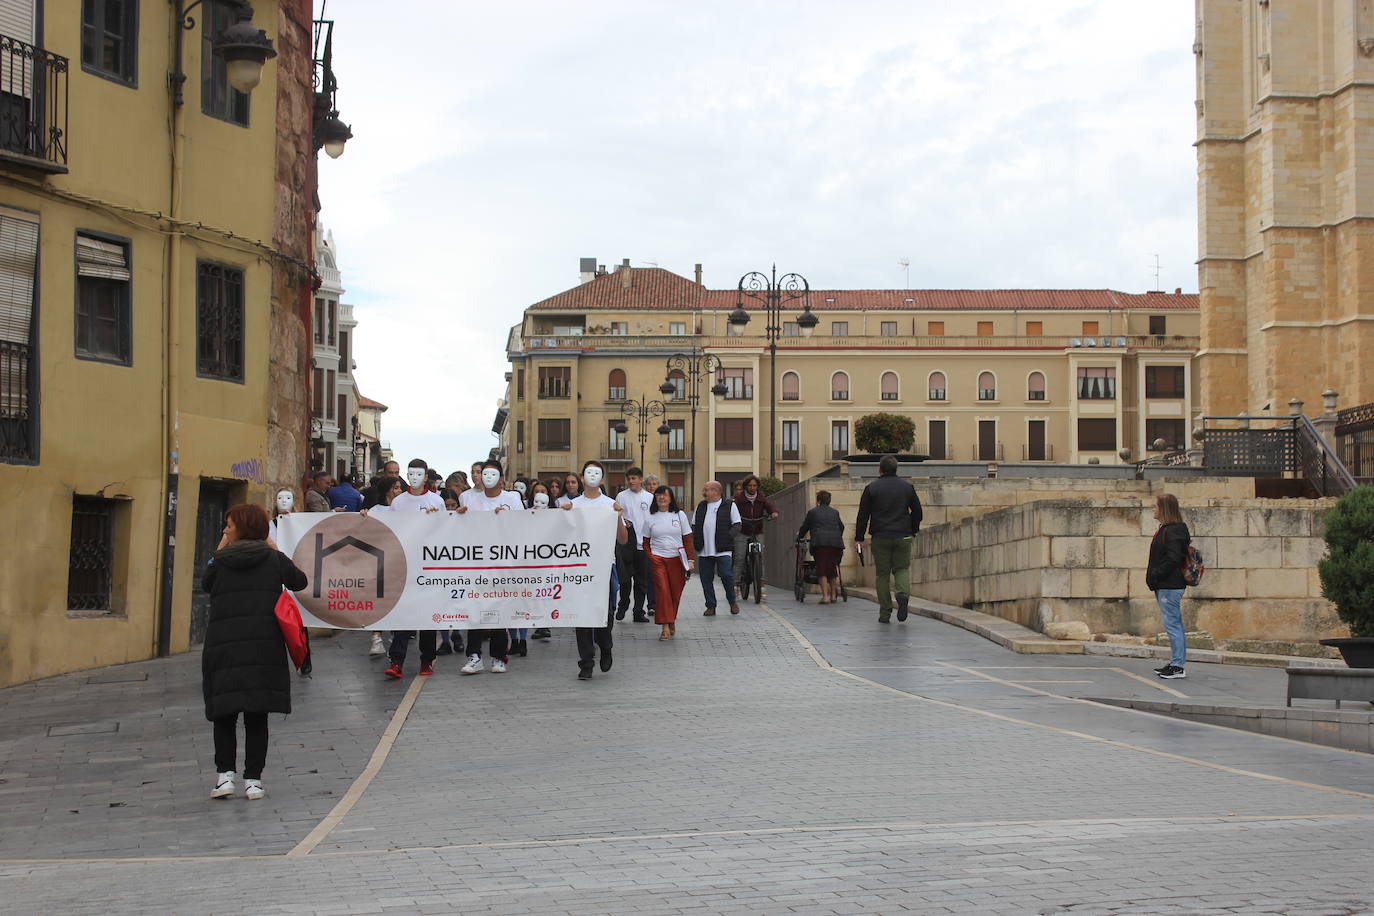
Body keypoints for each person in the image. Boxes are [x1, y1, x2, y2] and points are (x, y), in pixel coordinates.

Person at [202, 503, 308, 801]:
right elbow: (299, 581)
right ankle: (253, 780)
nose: (225, 529)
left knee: (224, 714)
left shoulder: (220, 562)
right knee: (256, 716)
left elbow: (206, 583)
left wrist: (219, 549)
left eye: (229, 525)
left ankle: (224, 777)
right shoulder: (273, 560)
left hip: (223, 647)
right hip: (263, 647)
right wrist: (274, 547)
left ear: (242, 528)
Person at [456, 459, 524, 673]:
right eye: (483, 474)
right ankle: (474, 656)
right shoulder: (469, 500)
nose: (487, 478)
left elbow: (525, 528)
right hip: (476, 565)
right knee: (475, 609)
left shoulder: (512, 500)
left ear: (502, 479)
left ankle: (498, 656)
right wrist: (457, 517)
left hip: (503, 565)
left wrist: (508, 520)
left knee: (499, 610)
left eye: (492, 474)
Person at [562, 459, 627, 679]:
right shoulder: (573, 505)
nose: (591, 477)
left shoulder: (610, 503)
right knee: (582, 614)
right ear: (582, 478)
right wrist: (562, 516)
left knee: (605, 614)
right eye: (587, 473)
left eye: (596, 473)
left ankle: (605, 645)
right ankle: (586, 662)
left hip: (605, 567)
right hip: (579, 568)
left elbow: (623, 539)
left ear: (601, 478)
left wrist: (618, 516)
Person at [380, 460, 444, 678]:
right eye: (410, 474)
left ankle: (427, 659)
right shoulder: (398, 502)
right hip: (405, 565)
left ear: (426, 477)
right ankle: (396, 660)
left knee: (426, 615)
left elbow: (445, 530)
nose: (414, 478)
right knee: (403, 613)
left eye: (419, 474)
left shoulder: (436, 500)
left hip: (429, 566)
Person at [854, 455, 923, 623]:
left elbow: (863, 516)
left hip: (880, 536)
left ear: (880, 469)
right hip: (903, 535)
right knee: (901, 569)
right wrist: (913, 529)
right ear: (896, 469)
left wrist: (859, 538)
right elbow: (918, 512)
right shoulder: (907, 487)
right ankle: (902, 595)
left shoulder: (871, 488)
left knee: (882, 575)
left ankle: (885, 613)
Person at [1147, 492, 1192, 680]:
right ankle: (1176, 662)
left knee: (1173, 625)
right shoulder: (1168, 529)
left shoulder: (1172, 531)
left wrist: (1157, 575)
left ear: (1164, 509)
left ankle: (1177, 666)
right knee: (1175, 625)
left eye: (1156, 506)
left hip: (1169, 585)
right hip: (1167, 584)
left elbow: (1173, 558)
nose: (1153, 509)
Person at [642, 485, 695, 640]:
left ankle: (671, 618)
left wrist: (690, 559)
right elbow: (645, 542)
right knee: (663, 591)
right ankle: (665, 627)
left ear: (670, 498)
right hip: (658, 559)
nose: (662, 498)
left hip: (678, 560)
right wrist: (652, 557)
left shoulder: (680, 515)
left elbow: (687, 539)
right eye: (658, 495)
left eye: (665, 495)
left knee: (675, 593)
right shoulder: (650, 517)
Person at [360, 475, 402, 656]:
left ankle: (394, 633)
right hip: (380, 561)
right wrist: (363, 517)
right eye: (396, 488)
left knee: (396, 599)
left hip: (399, 560)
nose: (400, 491)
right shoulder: (375, 510)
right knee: (379, 600)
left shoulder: (404, 509)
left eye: (400, 487)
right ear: (387, 490)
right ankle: (376, 638)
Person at [692, 480, 742, 616]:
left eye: (706, 489)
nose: (703, 492)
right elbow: (694, 525)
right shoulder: (700, 506)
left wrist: (727, 537)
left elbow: (737, 525)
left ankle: (732, 601)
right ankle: (711, 606)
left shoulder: (729, 505)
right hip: (704, 550)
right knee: (706, 579)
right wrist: (696, 539)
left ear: (717, 491)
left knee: (726, 575)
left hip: (723, 549)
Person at [614, 467, 656, 622]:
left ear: (640, 479)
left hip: (643, 545)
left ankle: (638, 611)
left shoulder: (649, 497)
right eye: (629, 479)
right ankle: (623, 606)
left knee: (641, 581)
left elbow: (653, 518)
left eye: (634, 478)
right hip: (626, 544)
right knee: (625, 580)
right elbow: (617, 516)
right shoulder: (621, 496)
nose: (631, 481)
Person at [733, 474, 780, 598]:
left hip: (757, 530)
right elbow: (732, 510)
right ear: (746, 487)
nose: (753, 488)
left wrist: (774, 512)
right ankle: (736, 585)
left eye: (755, 485)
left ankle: (762, 586)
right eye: (750, 485)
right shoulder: (739, 499)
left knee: (760, 557)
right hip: (742, 531)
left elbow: (769, 506)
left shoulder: (761, 498)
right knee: (739, 558)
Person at [797, 490, 845, 604]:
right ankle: (833, 596)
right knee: (832, 569)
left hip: (820, 543)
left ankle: (825, 596)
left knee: (822, 569)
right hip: (835, 544)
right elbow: (841, 527)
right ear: (829, 501)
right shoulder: (835, 512)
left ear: (818, 500)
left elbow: (805, 527)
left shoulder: (812, 512)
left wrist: (799, 537)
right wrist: (836, 536)